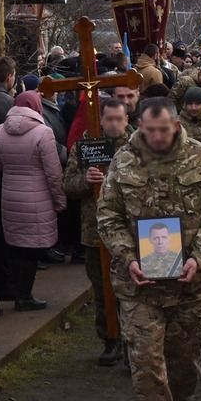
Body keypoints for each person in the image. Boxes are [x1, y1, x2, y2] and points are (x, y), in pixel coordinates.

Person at [96, 97, 201, 401]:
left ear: (176, 125)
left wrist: (198, 254)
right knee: (145, 358)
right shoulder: (123, 161)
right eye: (150, 129)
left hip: (191, 282)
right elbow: (108, 216)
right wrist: (127, 257)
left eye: (163, 129)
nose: (156, 136)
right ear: (140, 125)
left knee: (185, 358)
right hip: (140, 284)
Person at [64, 96, 131, 366]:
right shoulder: (85, 146)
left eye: (118, 119)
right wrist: (86, 180)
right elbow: (68, 185)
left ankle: (133, 342)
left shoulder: (138, 145)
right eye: (109, 119)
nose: (114, 124)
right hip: (96, 230)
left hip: (129, 231)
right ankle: (110, 339)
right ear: (100, 120)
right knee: (103, 289)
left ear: (126, 120)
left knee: (131, 288)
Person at [0, 91, 65, 311]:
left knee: (16, 246)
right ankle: (25, 296)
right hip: (37, 197)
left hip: (10, 196)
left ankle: (17, 292)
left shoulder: (0, 130)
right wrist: (60, 200)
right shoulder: (43, 132)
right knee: (31, 248)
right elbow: (53, 172)